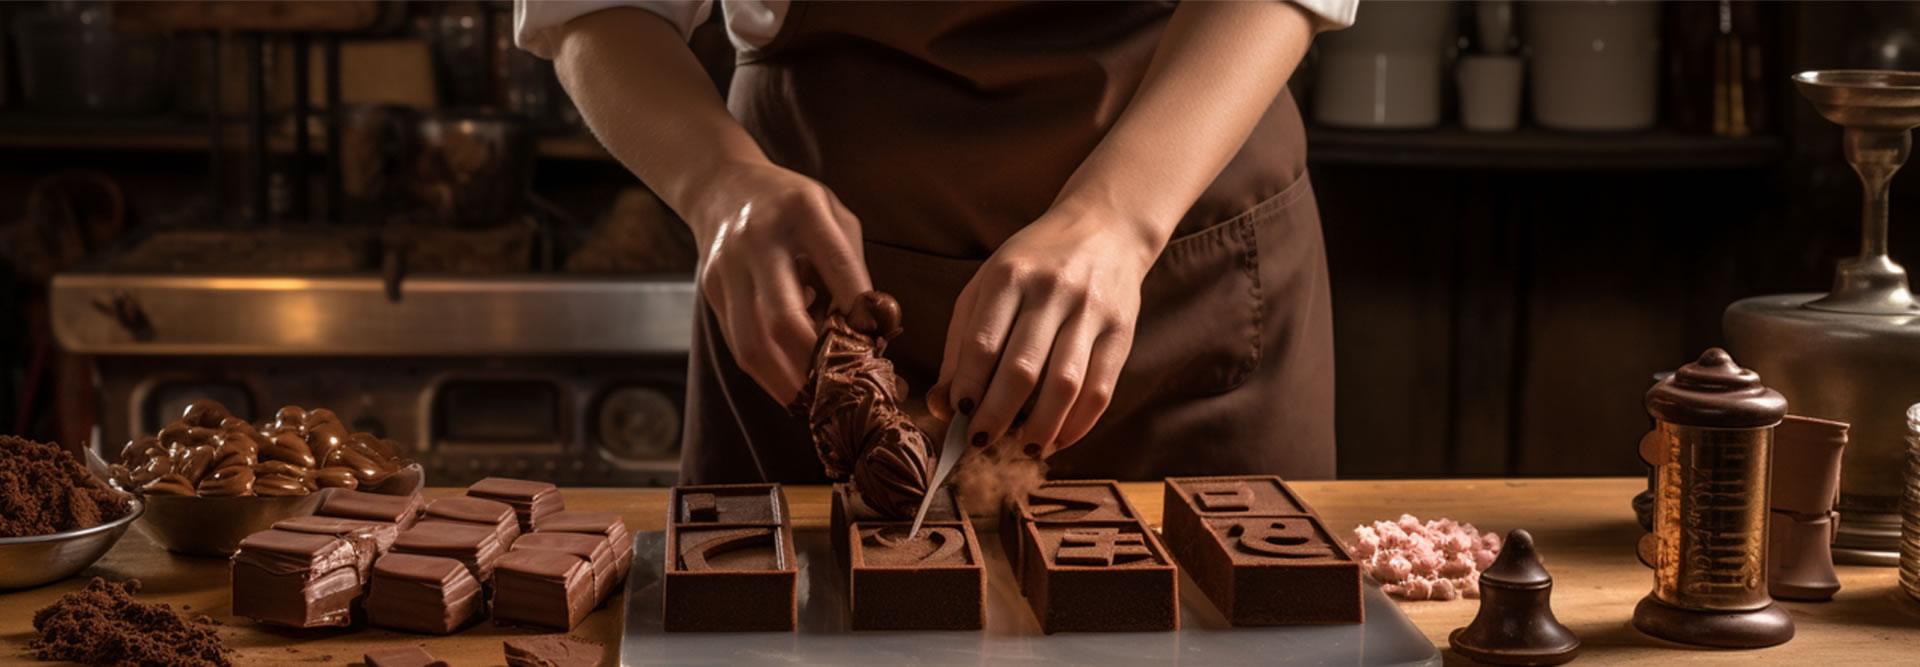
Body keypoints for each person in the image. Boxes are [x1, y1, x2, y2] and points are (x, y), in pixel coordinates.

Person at [516, 0, 1354, 484]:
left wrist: (1121, 215)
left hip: (1182, 239)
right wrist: (716, 184)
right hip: (815, 285)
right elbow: (591, 8)